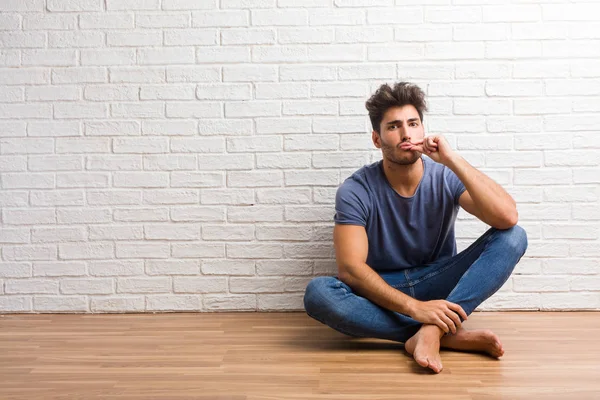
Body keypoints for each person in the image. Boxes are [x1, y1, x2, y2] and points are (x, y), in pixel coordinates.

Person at [303, 82, 528, 374]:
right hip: (385, 289)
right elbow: (351, 270)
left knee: (514, 237)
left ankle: (431, 333)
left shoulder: (446, 175)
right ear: (376, 138)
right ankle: (441, 334)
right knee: (318, 293)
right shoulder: (355, 189)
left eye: (413, 123)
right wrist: (415, 309)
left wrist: (452, 159)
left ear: (423, 130)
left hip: (439, 280)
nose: (406, 133)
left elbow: (507, 217)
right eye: (394, 126)